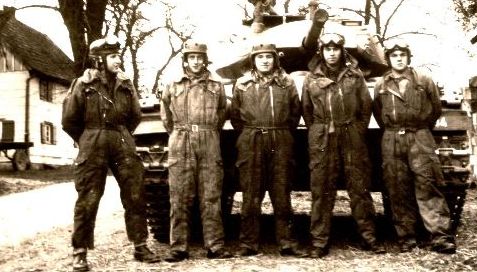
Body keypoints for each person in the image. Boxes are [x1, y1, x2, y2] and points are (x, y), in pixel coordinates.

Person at [62, 36, 159, 272]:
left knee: (135, 193)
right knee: (88, 198)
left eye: (119, 55)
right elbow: (69, 120)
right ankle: (80, 252)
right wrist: (86, 140)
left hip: (121, 139)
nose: (119, 60)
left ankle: (140, 245)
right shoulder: (83, 84)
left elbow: (135, 115)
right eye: (113, 56)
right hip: (93, 141)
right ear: (99, 60)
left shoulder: (126, 84)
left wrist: (121, 134)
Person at [302, 32, 385, 258]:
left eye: (335, 49)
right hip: (322, 137)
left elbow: (365, 108)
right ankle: (319, 241)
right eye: (327, 49)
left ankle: (369, 237)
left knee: (359, 188)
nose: (331, 53)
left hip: (350, 135)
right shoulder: (311, 79)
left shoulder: (355, 76)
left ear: (342, 51)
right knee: (321, 189)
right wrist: (319, 130)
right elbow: (307, 111)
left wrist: (356, 130)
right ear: (321, 52)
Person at [372, 41, 456, 254]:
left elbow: (435, 109)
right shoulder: (381, 84)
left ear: (408, 57)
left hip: (419, 136)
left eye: (402, 54)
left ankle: (440, 236)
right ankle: (406, 237)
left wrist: (418, 128)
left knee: (428, 183)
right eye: (394, 55)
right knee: (398, 189)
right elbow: (378, 112)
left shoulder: (424, 80)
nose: (398, 58)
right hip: (392, 138)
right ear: (388, 59)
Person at [230, 43, 306, 257]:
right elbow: (236, 116)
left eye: (269, 57)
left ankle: (287, 241)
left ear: (275, 59)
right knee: (251, 193)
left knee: (281, 192)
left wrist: (279, 132)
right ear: (253, 60)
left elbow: (294, 113)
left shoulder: (286, 82)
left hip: (280, 136)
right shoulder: (242, 84)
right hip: (251, 138)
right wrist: (250, 133)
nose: (265, 60)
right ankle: (248, 242)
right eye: (260, 57)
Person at [160, 40, 232, 261]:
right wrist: (180, 132)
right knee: (179, 195)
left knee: (211, 194)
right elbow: (166, 116)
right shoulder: (173, 84)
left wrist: (206, 130)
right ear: (185, 60)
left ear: (205, 60)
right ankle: (178, 247)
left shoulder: (216, 85)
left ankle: (215, 245)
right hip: (180, 139)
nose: (196, 61)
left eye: (200, 57)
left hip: (208, 138)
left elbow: (222, 113)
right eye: (192, 57)